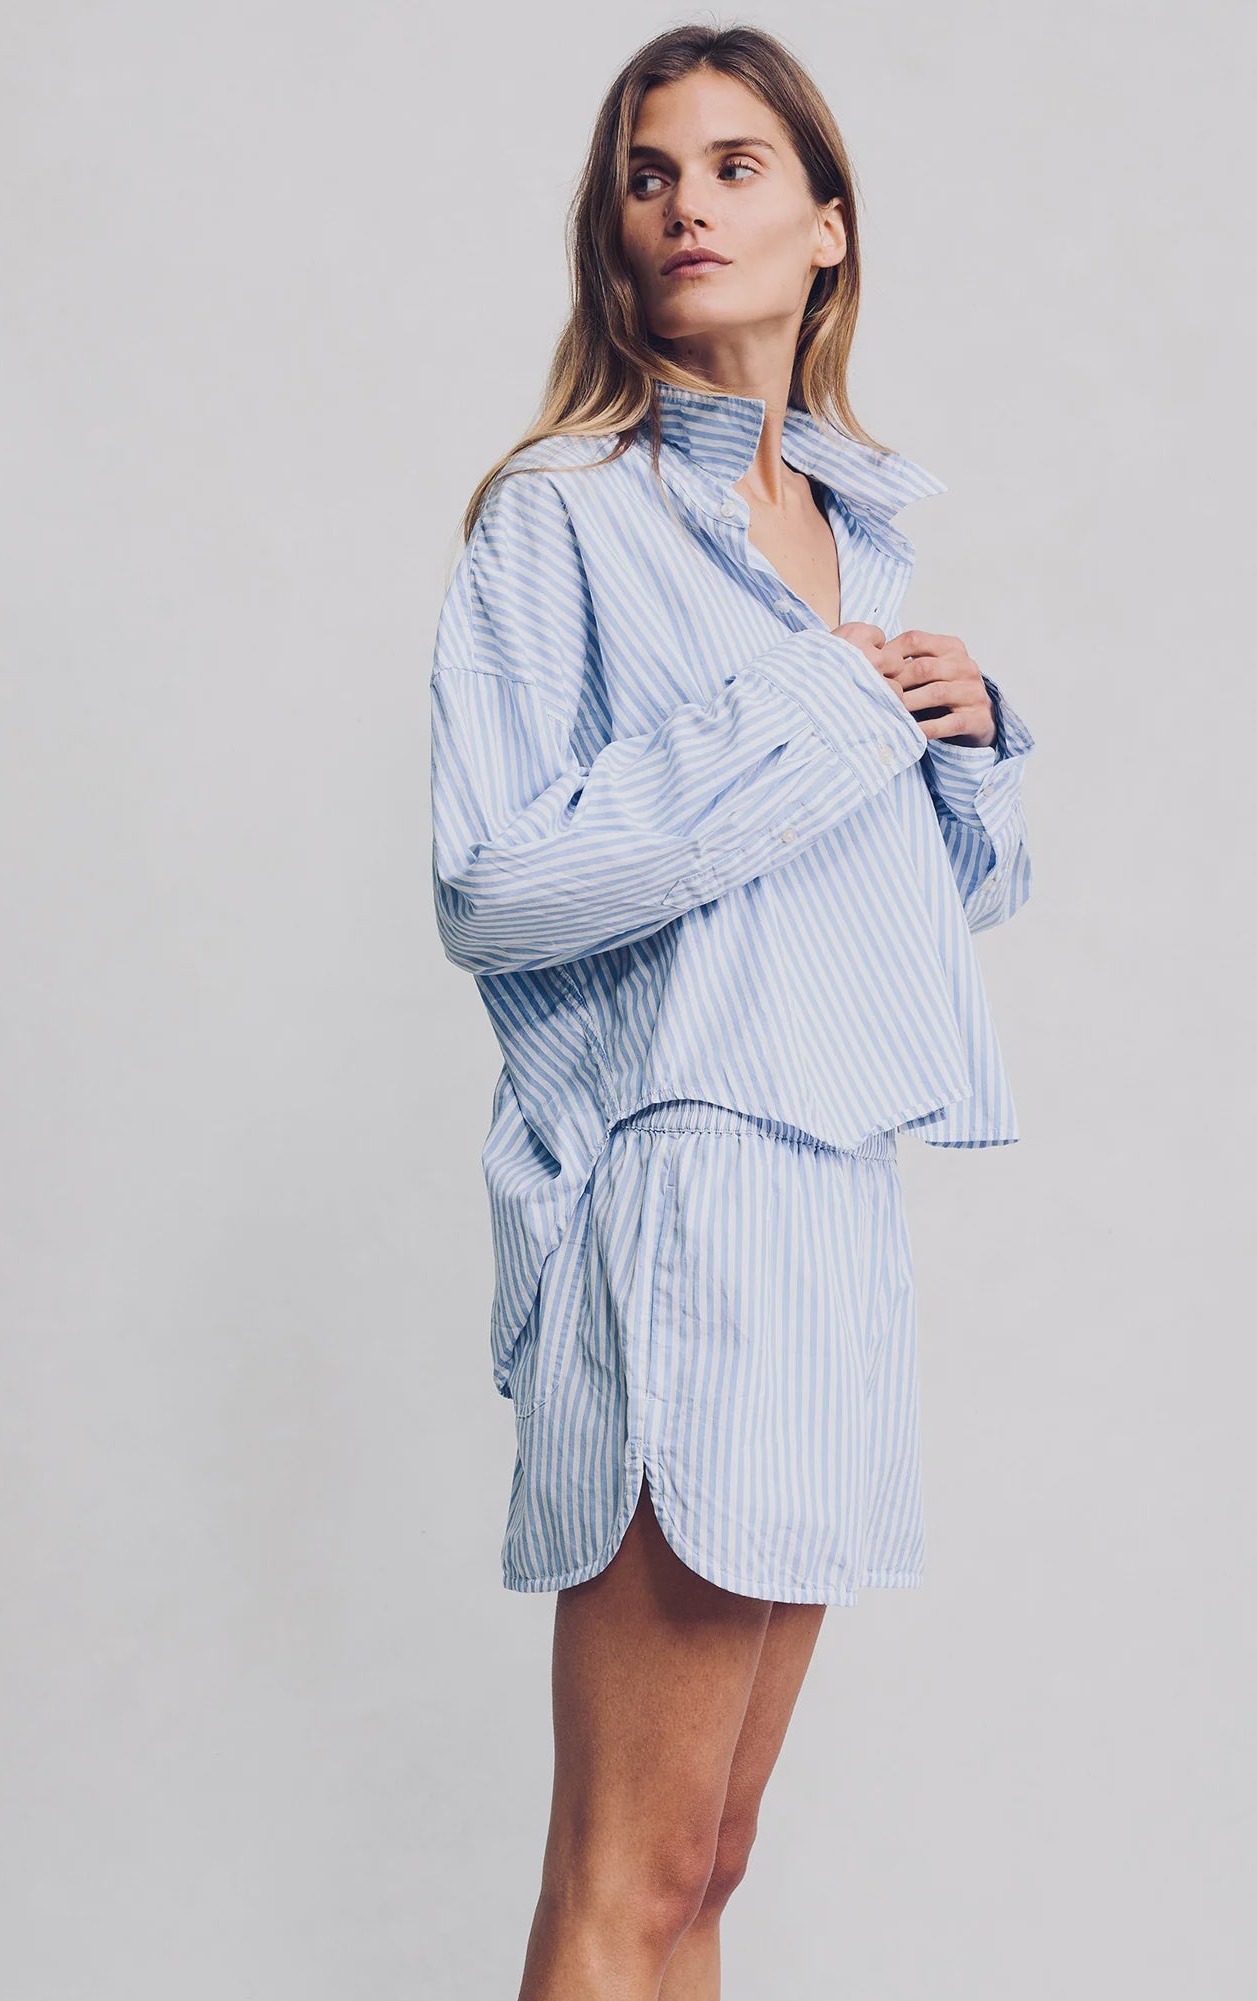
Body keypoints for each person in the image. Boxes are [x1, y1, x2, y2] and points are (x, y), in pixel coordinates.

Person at [428, 22, 1035, 1999]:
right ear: (611, 241)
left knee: (707, 1858)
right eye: (646, 171)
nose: (687, 200)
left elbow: (876, 918)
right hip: (677, 1188)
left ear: (827, 226)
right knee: (626, 1867)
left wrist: (970, 738)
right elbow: (496, 885)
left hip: (831, 1196)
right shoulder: (560, 516)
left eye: (737, 164)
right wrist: (815, 710)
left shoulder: (862, 536)